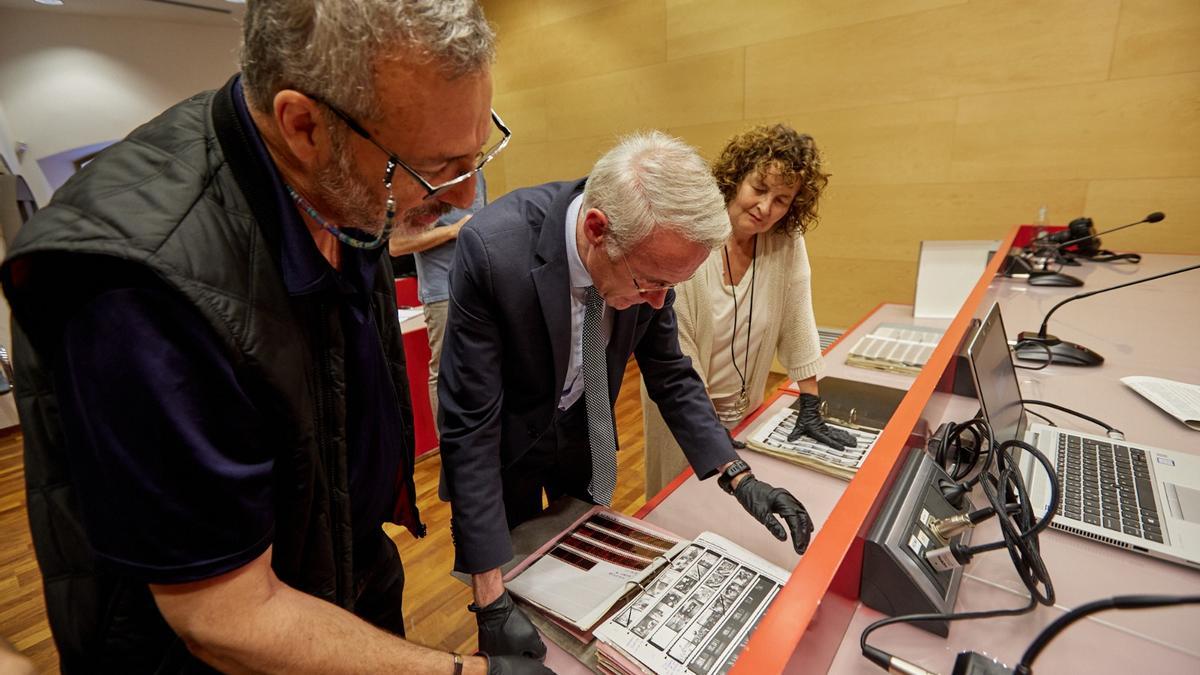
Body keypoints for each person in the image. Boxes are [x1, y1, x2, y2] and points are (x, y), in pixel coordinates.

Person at [0, 1, 545, 673]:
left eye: (477, 153)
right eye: (437, 169)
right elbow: (224, 618)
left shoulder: (339, 175)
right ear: (303, 125)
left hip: (339, 584)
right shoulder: (138, 286)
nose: (464, 201)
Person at [438, 131, 815, 660]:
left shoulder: (653, 259)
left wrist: (737, 475)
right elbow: (469, 427)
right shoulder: (493, 250)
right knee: (508, 598)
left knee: (575, 591)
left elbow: (669, 372)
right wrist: (490, 602)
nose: (657, 302)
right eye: (649, 282)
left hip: (581, 435)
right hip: (505, 447)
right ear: (596, 230)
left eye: (670, 288)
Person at [641, 124, 856, 496]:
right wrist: (711, 432)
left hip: (746, 410)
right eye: (758, 188)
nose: (765, 208)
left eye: (782, 200)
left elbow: (798, 315)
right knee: (681, 505)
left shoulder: (785, 242)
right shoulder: (692, 236)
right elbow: (679, 349)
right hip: (687, 409)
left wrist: (810, 401)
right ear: (736, 177)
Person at [389, 172, 487, 427]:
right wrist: (453, 231)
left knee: (484, 368)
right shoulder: (423, 181)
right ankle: (451, 453)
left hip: (480, 285)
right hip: (442, 291)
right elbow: (396, 246)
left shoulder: (476, 173)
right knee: (446, 373)